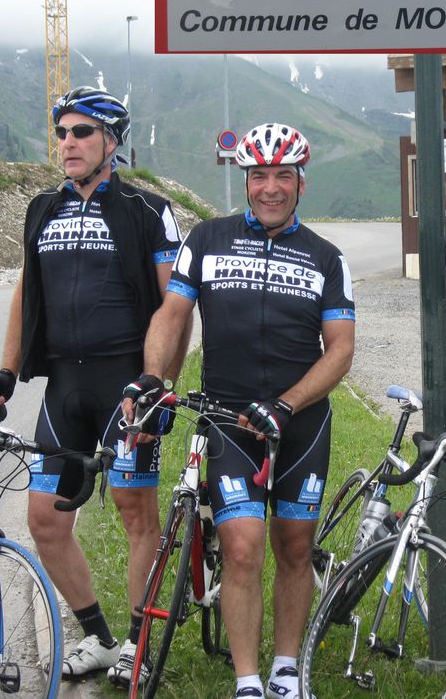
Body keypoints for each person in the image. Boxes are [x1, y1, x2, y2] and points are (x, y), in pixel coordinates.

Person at [122, 122, 355, 699]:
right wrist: (153, 377)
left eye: (282, 176)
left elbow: (342, 350)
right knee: (244, 546)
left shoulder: (327, 257)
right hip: (229, 420)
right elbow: (172, 315)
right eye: (258, 176)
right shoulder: (207, 239)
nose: (269, 188)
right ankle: (248, 679)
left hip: (300, 422)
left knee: (295, 547)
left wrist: (287, 402)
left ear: (300, 182)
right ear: (244, 180)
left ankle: (284, 667)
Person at [0, 86, 190, 688]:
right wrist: (7, 370)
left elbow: (177, 303)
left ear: (111, 143)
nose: (68, 143)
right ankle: (100, 638)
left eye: (82, 132)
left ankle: (138, 643)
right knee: (44, 517)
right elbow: (26, 292)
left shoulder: (149, 210)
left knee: (133, 510)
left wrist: (161, 384)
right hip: (64, 383)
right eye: (63, 132)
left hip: (126, 382)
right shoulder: (42, 207)